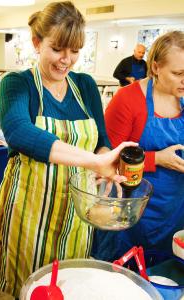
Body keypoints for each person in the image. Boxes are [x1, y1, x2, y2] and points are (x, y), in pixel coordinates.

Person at [0, 1, 136, 297]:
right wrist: (94, 163)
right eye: (58, 48)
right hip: (29, 210)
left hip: (76, 213)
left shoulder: (84, 86)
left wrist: (102, 158)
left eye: (74, 51)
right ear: (37, 42)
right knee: (29, 287)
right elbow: (19, 132)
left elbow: (101, 141)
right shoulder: (17, 85)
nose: (66, 60)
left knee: (69, 286)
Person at [92, 31, 184, 262]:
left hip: (174, 210)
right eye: (178, 73)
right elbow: (107, 161)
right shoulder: (127, 100)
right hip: (131, 210)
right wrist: (157, 159)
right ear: (155, 67)